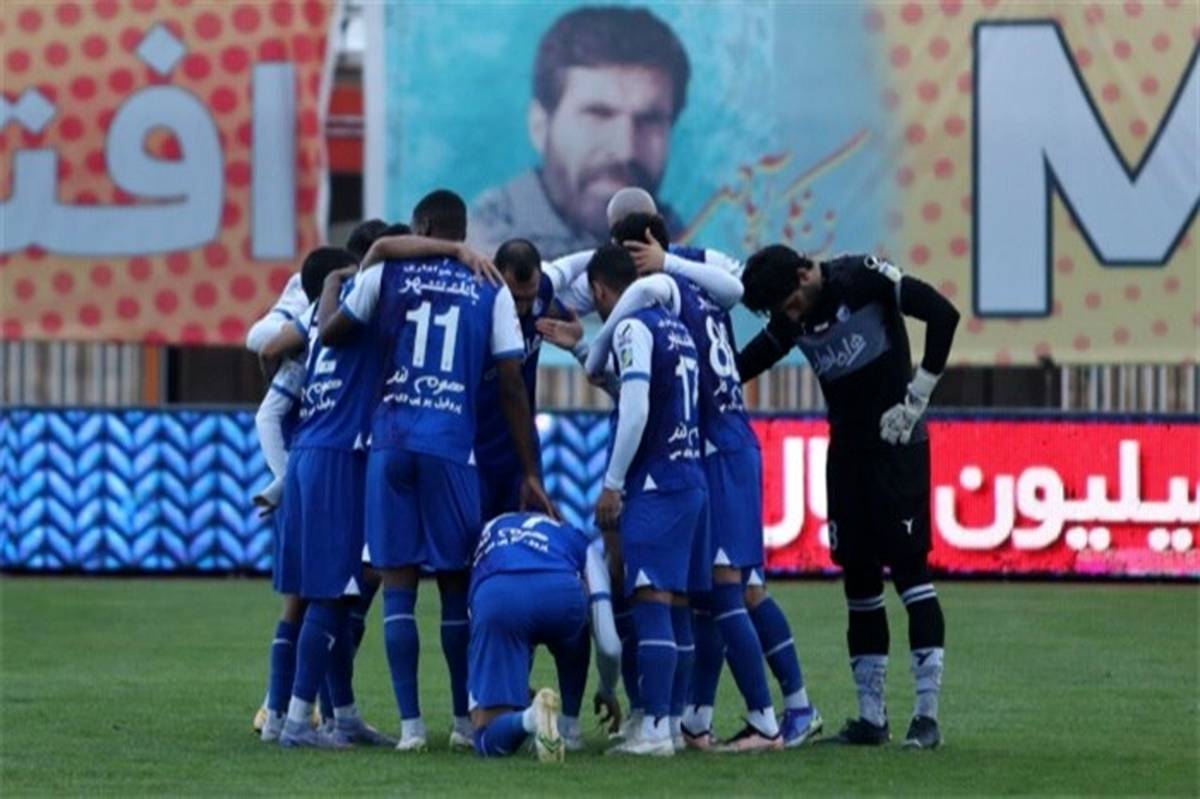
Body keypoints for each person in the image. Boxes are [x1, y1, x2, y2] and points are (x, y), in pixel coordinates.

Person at [320, 189, 556, 752]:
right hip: (451, 446)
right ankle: (461, 722)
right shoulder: (490, 287)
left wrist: (333, 287)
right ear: (462, 230)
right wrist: (530, 471)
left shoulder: (385, 273)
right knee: (454, 586)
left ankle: (410, 729)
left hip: (390, 441)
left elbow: (333, 333)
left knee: (397, 585)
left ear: (421, 226)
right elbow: (510, 384)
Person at [588, 212, 824, 751]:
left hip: (717, 449)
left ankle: (771, 718)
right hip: (724, 445)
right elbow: (729, 291)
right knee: (720, 593)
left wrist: (597, 349)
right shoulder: (698, 285)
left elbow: (710, 295)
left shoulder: (665, 286)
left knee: (726, 591)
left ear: (646, 248)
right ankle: (702, 716)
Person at [736, 245, 960, 750]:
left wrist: (917, 398)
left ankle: (926, 718)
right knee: (858, 583)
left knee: (910, 575)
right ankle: (871, 720)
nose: (792, 318)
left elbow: (943, 314)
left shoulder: (862, 278)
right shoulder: (791, 315)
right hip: (846, 457)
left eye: (791, 304)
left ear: (804, 274)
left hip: (898, 445)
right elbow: (749, 361)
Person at [254, 246, 394, 748]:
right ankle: (297, 723)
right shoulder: (360, 314)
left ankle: (306, 717)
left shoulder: (317, 321)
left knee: (318, 596)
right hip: (339, 458)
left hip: (307, 453)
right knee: (333, 595)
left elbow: (267, 350)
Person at [585, 244, 706, 757]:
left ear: (599, 291)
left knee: (651, 600)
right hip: (690, 476)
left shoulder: (632, 327)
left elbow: (635, 411)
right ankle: (669, 723)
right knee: (676, 606)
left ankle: (653, 729)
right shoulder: (677, 329)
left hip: (655, 481)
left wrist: (613, 482)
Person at [470, 6, 690, 260]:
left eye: (650, 120)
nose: (625, 149)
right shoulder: (477, 248)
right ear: (540, 126)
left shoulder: (678, 237)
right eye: (598, 114)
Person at [468, 511, 621, 760]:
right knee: (576, 626)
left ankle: (531, 718)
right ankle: (570, 727)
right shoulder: (573, 536)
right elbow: (609, 645)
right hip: (562, 594)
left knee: (486, 738)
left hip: (500, 597)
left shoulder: (485, 531)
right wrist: (607, 690)